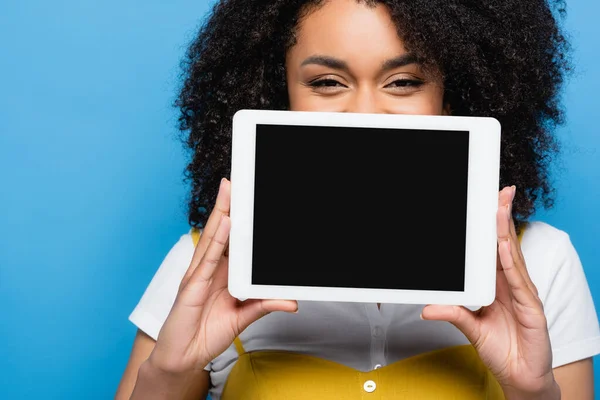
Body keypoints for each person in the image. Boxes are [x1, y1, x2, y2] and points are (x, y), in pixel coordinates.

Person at [115, 0, 600, 398]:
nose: (366, 113)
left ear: (452, 97)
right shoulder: (209, 266)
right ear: (277, 96)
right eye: (327, 83)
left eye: (404, 81)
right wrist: (171, 371)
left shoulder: (540, 262)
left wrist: (532, 391)